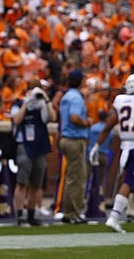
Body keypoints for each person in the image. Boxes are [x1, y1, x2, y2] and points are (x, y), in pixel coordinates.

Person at [90, 74, 134, 233]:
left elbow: (109, 125)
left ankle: (115, 216)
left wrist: (96, 145)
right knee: (128, 183)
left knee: (129, 182)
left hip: (125, 147)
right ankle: (114, 217)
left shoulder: (121, 101)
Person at [11, 83, 55, 227]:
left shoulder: (42, 104)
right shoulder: (19, 103)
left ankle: (31, 215)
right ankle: (20, 216)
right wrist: (27, 102)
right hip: (25, 145)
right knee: (22, 182)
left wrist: (46, 100)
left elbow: (51, 117)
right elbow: (16, 120)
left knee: (36, 184)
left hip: (40, 145)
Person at [58, 69, 90, 224]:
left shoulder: (66, 96)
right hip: (74, 139)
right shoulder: (76, 97)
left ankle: (70, 212)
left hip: (66, 137)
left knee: (72, 176)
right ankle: (72, 213)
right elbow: (74, 117)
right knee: (77, 178)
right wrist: (86, 122)